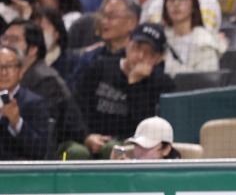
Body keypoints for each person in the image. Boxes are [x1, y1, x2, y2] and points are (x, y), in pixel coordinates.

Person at [66, 20, 175, 160]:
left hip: (127, 144)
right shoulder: (99, 67)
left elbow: (145, 130)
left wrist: (134, 84)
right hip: (86, 138)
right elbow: (74, 107)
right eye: (137, 48)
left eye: (149, 53)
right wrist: (86, 136)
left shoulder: (162, 84)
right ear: (127, 45)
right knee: (76, 152)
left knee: (114, 149)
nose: (140, 56)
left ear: (158, 59)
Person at [0, 18, 85, 148]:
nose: (6, 45)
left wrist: (16, 121)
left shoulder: (46, 80)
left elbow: (45, 133)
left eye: (14, 40)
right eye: (4, 39)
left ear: (33, 49)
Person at [0, 42, 52, 160]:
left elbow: (40, 151)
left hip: (16, 167)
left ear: (21, 71)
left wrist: (17, 123)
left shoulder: (34, 103)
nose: (3, 72)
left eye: (10, 66)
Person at [163, 0, 226, 76]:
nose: (176, 4)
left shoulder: (205, 40)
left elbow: (207, 77)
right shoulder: (160, 39)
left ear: (193, 5)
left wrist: (172, 68)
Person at [115, 115, 180, 160]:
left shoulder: (178, 173)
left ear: (166, 150)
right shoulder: (131, 167)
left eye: (147, 147)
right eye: (137, 144)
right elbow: (117, 150)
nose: (140, 152)